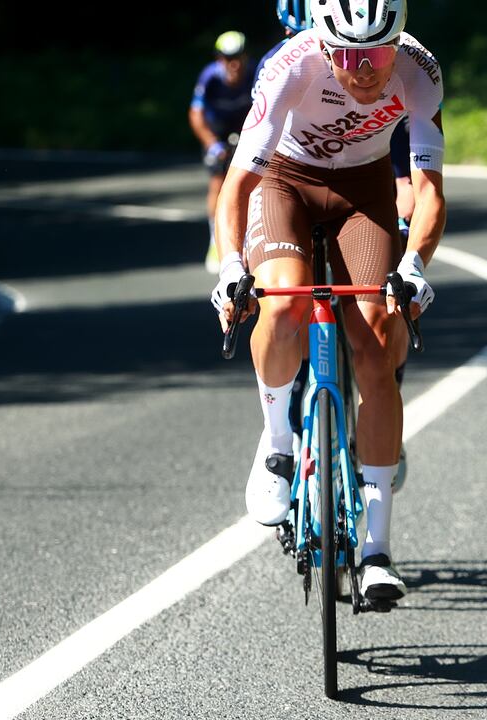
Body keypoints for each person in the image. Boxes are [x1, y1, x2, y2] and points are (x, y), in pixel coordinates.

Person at [211, 0, 444, 601]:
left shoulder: (420, 70)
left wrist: (414, 267)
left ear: (398, 41)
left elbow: (430, 190)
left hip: (362, 191)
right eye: (348, 55)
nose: (364, 69)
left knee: (377, 338)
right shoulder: (290, 65)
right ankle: (278, 449)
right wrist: (232, 267)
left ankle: (377, 551)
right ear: (323, 43)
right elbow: (238, 185)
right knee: (282, 304)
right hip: (284, 180)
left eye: (377, 53)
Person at [191, 31, 260, 273]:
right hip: (218, 132)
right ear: (218, 59)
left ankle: (249, 242)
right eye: (227, 57)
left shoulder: (255, 72)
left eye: (238, 56)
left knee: (252, 184)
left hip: (247, 127)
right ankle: (214, 240)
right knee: (218, 182)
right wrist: (211, 143)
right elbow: (196, 114)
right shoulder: (210, 77)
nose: (233, 63)